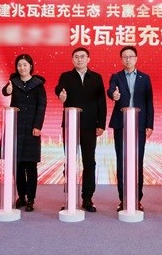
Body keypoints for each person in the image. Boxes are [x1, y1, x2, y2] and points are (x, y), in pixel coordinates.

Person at [55, 47, 106, 212]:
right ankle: (69, 198)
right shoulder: (66, 76)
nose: (79, 59)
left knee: (89, 162)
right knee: (70, 162)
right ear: (72, 60)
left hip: (90, 126)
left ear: (88, 59)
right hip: (70, 125)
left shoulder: (96, 77)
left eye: (82, 56)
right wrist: (61, 94)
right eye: (76, 57)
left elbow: (102, 102)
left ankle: (87, 198)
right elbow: (59, 89)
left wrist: (101, 124)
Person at [107, 46, 154, 212]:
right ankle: (123, 199)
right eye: (125, 57)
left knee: (137, 161)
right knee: (122, 161)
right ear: (121, 59)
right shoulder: (116, 77)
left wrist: (149, 124)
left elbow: (149, 102)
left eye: (131, 56)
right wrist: (114, 95)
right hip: (121, 124)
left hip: (139, 125)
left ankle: (137, 199)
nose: (128, 59)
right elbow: (110, 90)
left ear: (136, 58)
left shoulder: (145, 78)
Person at [1, 54, 46, 212]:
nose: (22, 68)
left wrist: (38, 126)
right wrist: (7, 90)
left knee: (31, 166)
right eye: (19, 65)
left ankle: (31, 199)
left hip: (31, 129)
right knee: (17, 165)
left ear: (30, 66)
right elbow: (5, 91)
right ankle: (22, 196)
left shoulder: (38, 84)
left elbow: (41, 106)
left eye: (25, 65)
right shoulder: (13, 82)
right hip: (16, 128)